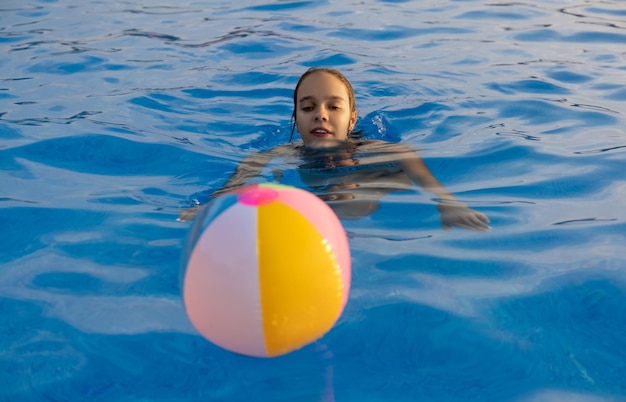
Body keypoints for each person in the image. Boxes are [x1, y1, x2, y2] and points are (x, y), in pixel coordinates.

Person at [178, 67, 490, 231]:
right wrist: (210, 206)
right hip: (322, 180)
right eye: (308, 107)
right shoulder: (287, 153)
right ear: (297, 121)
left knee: (358, 193)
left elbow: (407, 155)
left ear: (352, 119)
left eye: (333, 106)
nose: (321, 114)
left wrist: (446, 202)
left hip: (365, 172)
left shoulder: (373, 148)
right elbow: (250, 166)